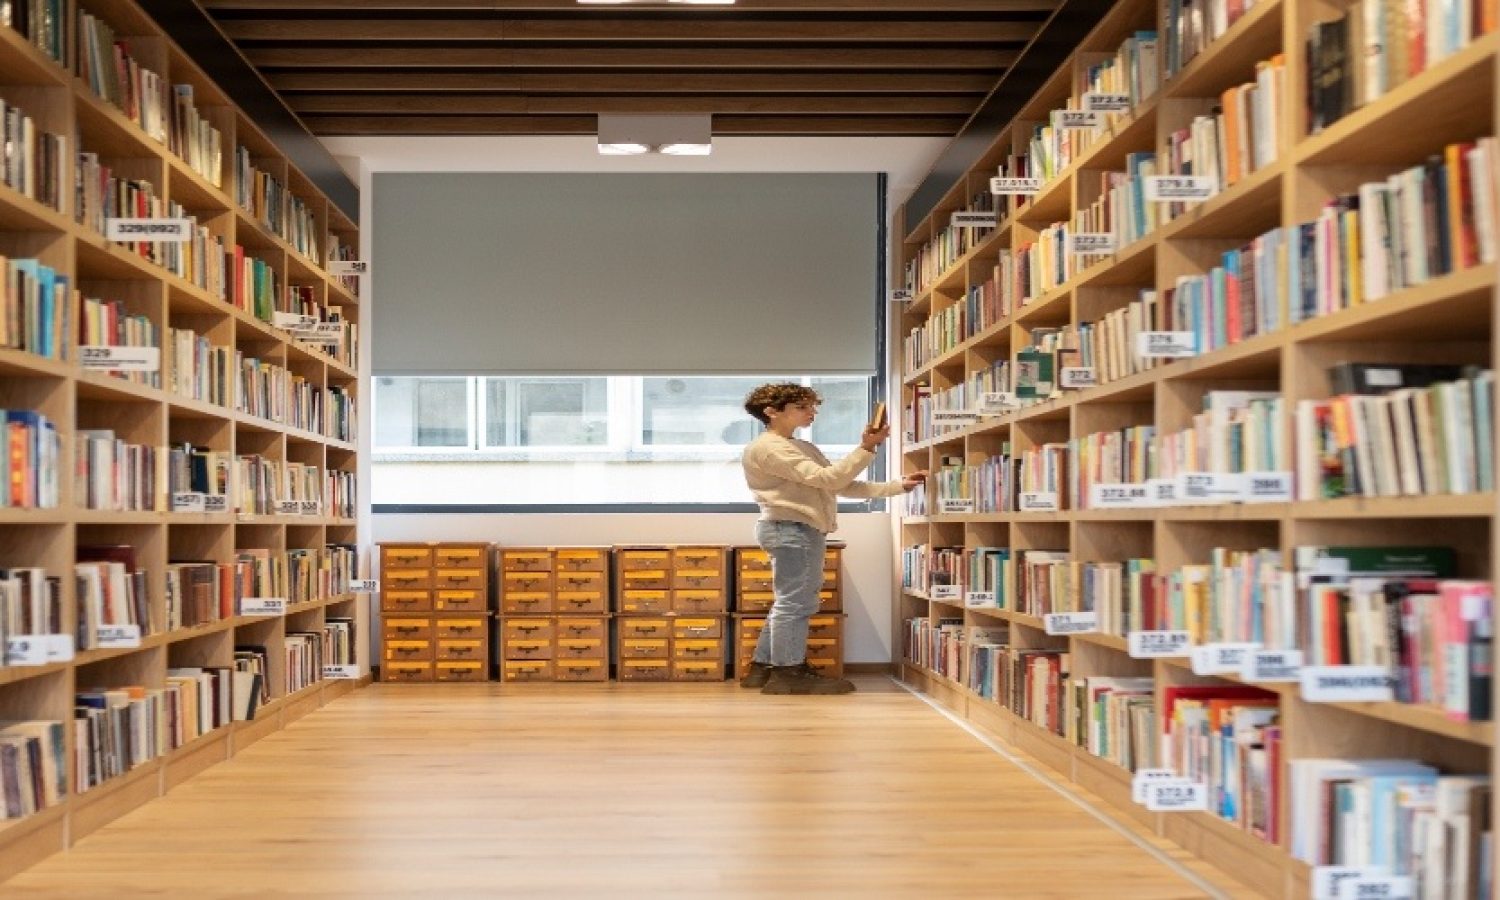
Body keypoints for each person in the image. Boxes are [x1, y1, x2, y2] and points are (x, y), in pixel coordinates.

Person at [739, 383, 927, 695]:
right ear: (771, 412)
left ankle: (763, 669)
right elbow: (832, 479)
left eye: (813, 407)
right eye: (802, 407)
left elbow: (840, 485)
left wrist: (897, 486)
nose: (812, 413)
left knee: (791, 601)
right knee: (795, 602)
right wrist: (866, 448)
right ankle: (787, 673)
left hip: (797, 528)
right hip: (791, 529)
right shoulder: (771, 448)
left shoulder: (799, 447)